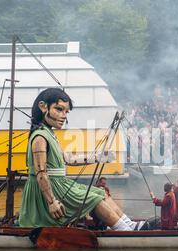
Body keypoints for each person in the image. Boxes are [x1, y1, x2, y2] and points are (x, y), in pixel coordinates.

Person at [19, 88, 144, 231]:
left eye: (66, 112)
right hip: (51, 189)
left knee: (100, 192)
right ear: (42, 107)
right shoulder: (40, 138)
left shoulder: (49, 134)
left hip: (60, 185)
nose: (63, 116)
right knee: (93, 198)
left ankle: (128, 224)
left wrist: (98, 157)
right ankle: (123, 230)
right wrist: (52, 202)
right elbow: (41, 173)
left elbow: (68, 158)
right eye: (59, 109)